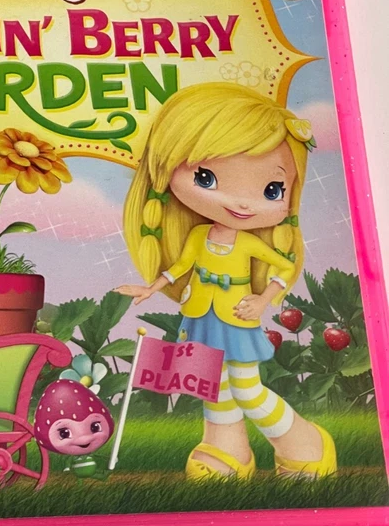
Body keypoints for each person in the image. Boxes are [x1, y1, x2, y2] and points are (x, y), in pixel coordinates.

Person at [115, 83, 336, 480]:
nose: (242, 203)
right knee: (212, 385)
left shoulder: (249, 242)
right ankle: (226, 445)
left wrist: (263, 299)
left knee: (248, 389)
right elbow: (181, 266)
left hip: (236, 318)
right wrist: (150, 288)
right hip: (202, 316)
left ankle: (302, 440)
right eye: (206, 177)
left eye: (272, 190)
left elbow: (282, 267)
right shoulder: (199, 236)